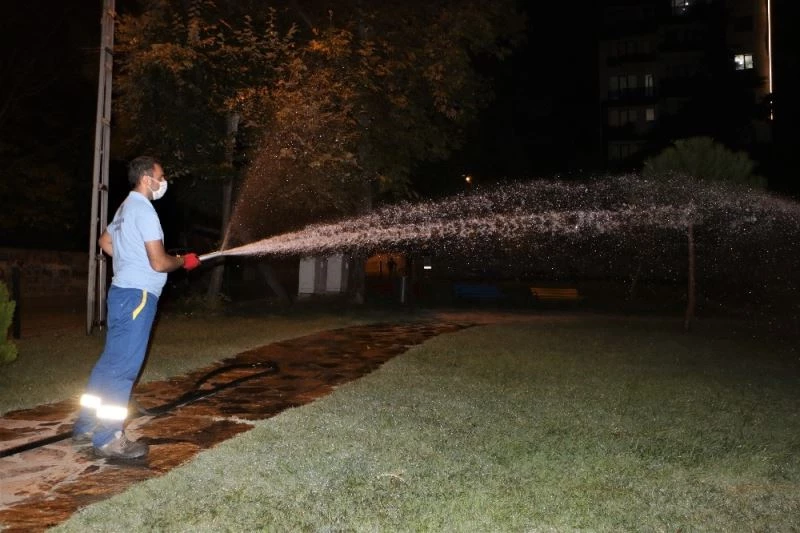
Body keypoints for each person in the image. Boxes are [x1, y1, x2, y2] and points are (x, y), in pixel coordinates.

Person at [72, 156, 201, 460]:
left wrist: (129, 259)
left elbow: (105, 242)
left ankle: (86, 425)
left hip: (120, 293)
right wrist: (183, 261)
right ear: (146, 179)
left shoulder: (124, 208)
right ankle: (109, 438)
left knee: (109, 363)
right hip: (139, 296)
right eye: (161, 176)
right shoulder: (144, 210)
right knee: (123, 369)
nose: (163, 182)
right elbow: (159, 262)